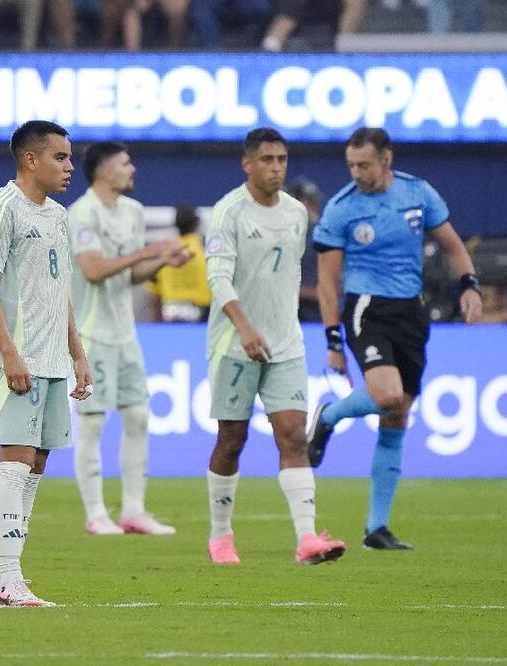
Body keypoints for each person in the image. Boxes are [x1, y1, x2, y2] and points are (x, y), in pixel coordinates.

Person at [307, 128, 483, 550]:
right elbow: (327, 284)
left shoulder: (417, 193)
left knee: (398, 414)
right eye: (351, 165)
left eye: (363, 164)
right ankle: (329, 416)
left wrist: (470, 285)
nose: (356, 173)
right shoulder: (341, 209)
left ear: (387, 159)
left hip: (411, 312)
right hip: (368, 308)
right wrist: (334, 342)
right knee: (386, 395)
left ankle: (376, 529)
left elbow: (453, 246)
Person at [203, 128, 346, 566]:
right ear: (247, 164)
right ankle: (221, 535)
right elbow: (218, 278)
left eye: (282, 159)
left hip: (286, 344)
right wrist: (245, 328)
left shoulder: (296, 212)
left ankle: (307, 540)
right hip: (234, 344)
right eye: (267, 159)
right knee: (232, 439)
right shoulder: (229, 213)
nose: (276, 167)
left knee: (293, 438)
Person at [0, 120, 94, 607]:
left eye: (70, 158)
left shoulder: (58, 217)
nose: (69, 167)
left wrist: (77, 354)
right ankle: (4, 576)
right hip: (17, 356)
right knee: (16, 462)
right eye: (60, 157)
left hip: (51, 358)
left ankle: (5, 578)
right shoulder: (2, 210)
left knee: (36, 464)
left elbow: (59, 291)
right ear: (30, 159)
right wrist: (9, 353)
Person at [68, 141, 189, 536]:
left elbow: (128, 275)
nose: (132, 169)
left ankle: (134, 510)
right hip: (90, 334)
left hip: (124, 332)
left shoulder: (133, 212)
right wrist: (148, 251)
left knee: (137, 416)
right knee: (92, 423)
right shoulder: (82, 213)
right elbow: (93, 270)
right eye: (125, 163)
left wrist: (160, 262)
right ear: (105, 171)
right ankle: (94, 512)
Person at [148, 205, 211, 323]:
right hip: (202, 310)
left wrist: (156, 322)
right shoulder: (205, 248)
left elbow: (154, 291)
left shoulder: (166, 251)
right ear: (196, 223)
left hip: (169, 310)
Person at [286, 177, 324, 322]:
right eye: (306, 203)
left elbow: (334, 288)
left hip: (315, 316)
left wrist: (299, 292)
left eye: (313, 204)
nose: (311, 209)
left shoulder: (323, 236)